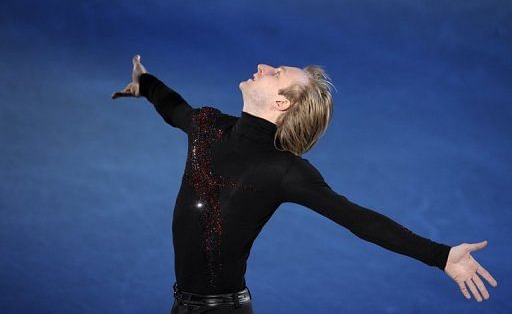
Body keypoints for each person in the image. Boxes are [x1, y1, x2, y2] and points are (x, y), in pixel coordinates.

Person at [112, 55, 498, 313]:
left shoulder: (285, 171)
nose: (263, 66)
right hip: (181, 304)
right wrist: (144, 83)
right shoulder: (208, 127)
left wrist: (440, 255)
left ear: (282, 103)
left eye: (275, 73)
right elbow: (174, 108)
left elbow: (358, 219)